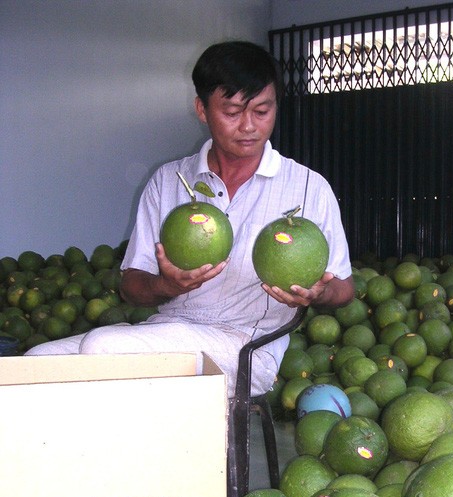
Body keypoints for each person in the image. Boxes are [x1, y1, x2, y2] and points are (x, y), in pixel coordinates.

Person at [27, 40, 354, 396]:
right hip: (167, 329)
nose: (249, 126)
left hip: (248, 348)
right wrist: (166, 286)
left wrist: (318, 292)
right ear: (202, 109)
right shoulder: (168, 182)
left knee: (101, 348)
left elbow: (344, 290)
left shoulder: (308, 187)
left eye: (262, 111)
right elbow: (132, 286)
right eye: (232, 112)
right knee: (32, 364)